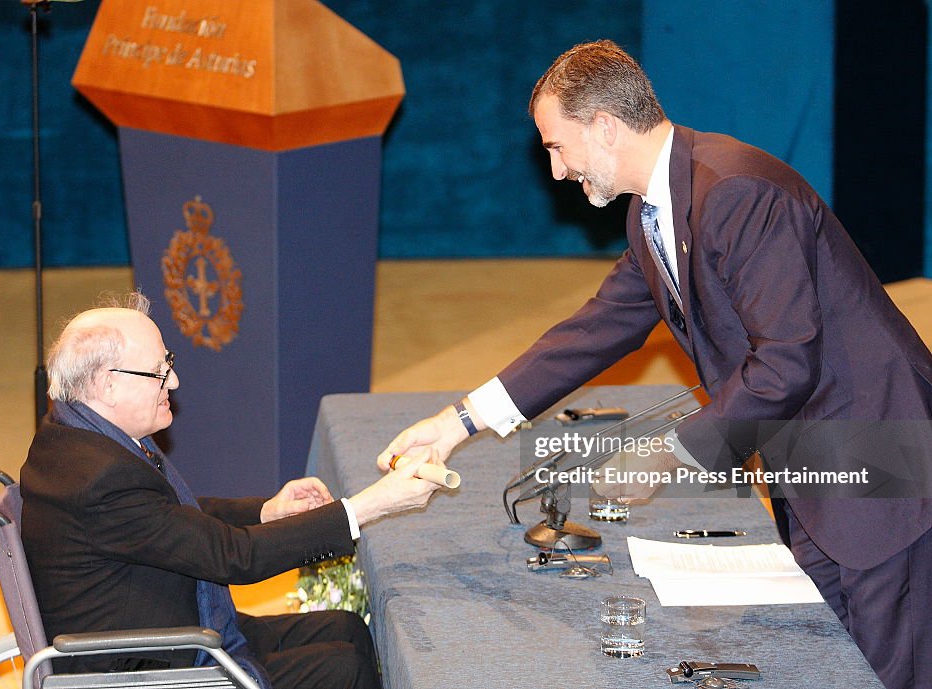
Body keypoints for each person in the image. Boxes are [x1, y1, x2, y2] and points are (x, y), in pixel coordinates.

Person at [377, 40, 932, 689]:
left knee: (890, 670)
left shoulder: (734, 193)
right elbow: (593, 332)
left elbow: (785, 365)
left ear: (605, 127)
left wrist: (666, 452)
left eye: (557, 147)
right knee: (832, 663)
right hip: (814, 470)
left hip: (881, 462)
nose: (555, 171)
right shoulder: (654, 213)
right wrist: (457, 421)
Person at [22, 292, 442, 689]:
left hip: (159, 617)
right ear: (106, 384)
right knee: (343, 667)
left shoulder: (75, 433)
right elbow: (235, 558)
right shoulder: (99, 479)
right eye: (159, 370)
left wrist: (267, 512)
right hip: (143, 664)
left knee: (346, 628)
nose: (175, 380)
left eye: (168, 361)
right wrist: (374, 504)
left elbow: (168, 519)